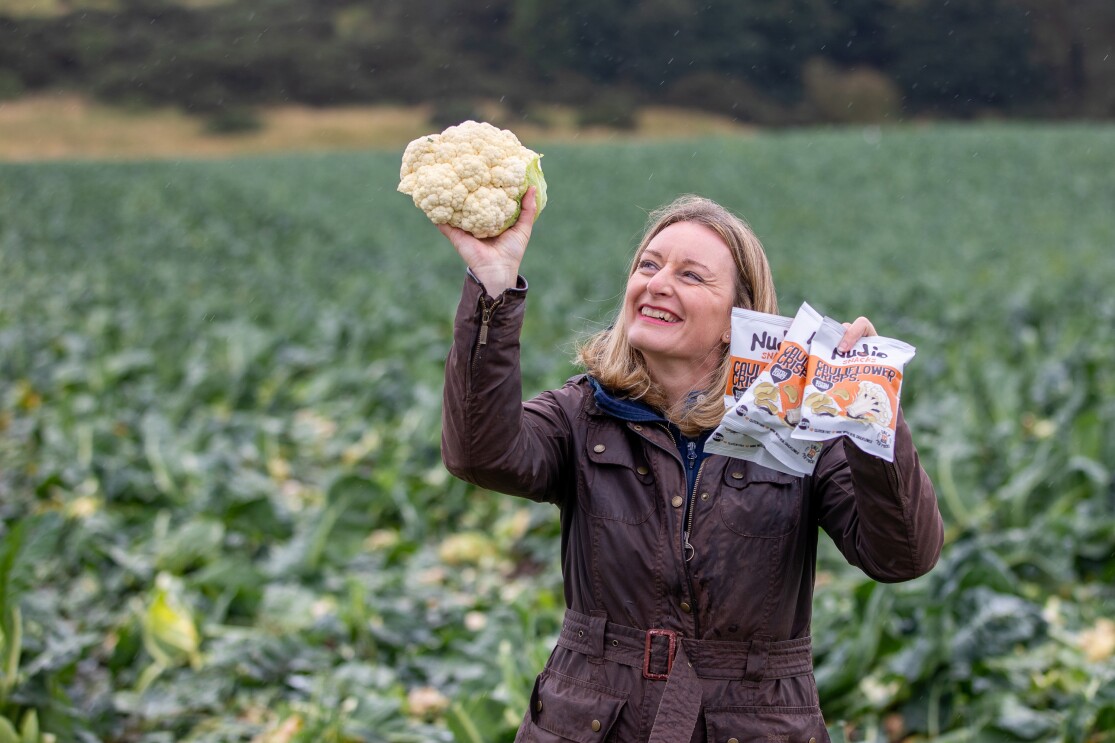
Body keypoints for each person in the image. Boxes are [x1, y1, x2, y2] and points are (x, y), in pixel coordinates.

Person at [438, 188, 944, 743]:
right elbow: (481, 455)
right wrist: (493, 290)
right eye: (648, 265)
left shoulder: (799, 428)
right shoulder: (581, 414)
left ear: (737, 320)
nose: (657, 283)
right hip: (594, 723)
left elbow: (901, 556)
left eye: (690, 275)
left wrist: (872, 415)